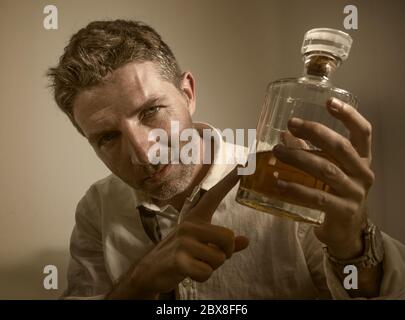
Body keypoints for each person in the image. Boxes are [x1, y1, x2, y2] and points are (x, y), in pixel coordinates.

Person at [47, 19, 405, 299]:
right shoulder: (97, 207)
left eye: (151, 111)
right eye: (108, 137)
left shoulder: (286, 182)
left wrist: (352, 247)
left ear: (187, 93)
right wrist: (140, 281)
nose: (143, 152)